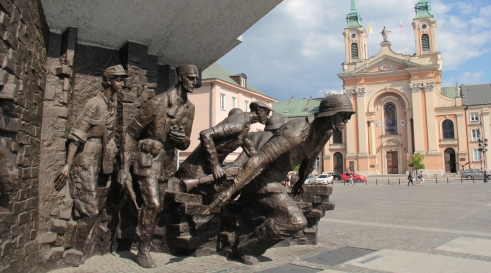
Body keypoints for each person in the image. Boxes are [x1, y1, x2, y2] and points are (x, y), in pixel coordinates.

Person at [208, 94, 355, 265]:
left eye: (349, 116)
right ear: (330, 115)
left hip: (275, 182)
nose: (346, 120)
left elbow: (311, 156)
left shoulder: (325, 131)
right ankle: (248, 247)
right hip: (262, 182)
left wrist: (301, 180)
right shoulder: (296, 132)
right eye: (344, 115)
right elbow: (259, 160)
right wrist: (231, 190)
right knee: (295, 221)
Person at [117, 64, 198, 268]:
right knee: (152, 204)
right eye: (190, 78)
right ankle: (142, 251)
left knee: (157, 206)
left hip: (167, 165)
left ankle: (139, 238)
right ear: (180, 77)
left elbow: (186, 142)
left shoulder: (190, 108)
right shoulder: (158, 102)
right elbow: (131, 133)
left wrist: (182, 140)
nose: (194, 83)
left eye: (196, 79)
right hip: (147, 160)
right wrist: (124, 168)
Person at [54, 65, 127, 249]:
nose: (122, 83)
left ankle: (81, 244)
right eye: (118, 80)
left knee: (99, 204)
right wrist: (67, 164)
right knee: (90, 210)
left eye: (122, 79)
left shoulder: (112, 105)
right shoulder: (94, 104)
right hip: (85, 160)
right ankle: (74, 250)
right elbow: (76, 135)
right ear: (108, 81)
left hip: (102, 161)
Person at [176, 101, 272, 190]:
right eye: (267, 113)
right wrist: (215, 166)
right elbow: (205, 134)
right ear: (259, 110)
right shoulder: (239, 124)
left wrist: (270, 169)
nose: (268, 117)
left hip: (209, 172)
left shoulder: (244, 128)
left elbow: (253, 154)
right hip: (195, 171)